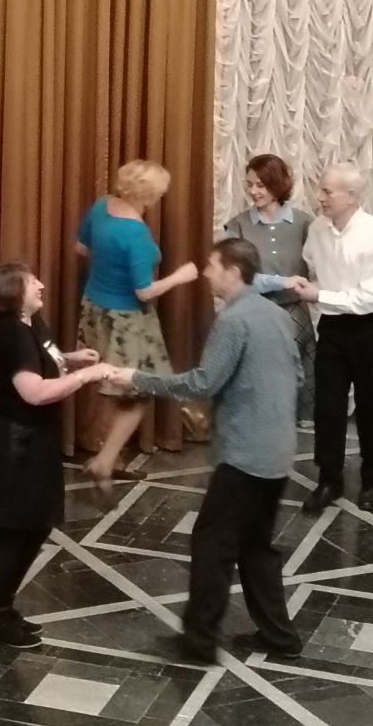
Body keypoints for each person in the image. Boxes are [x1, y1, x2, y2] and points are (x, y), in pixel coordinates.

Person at [111, 238, 302, 664]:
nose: (206, 273)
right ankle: (280, 638)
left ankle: (198, 643)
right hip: (278, 450)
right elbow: (297, 375)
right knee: (256, 545)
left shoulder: (233, 321)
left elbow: (202, 382)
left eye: (213, 266)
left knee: (212, 544)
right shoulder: (276, 315)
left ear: (233, 272)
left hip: (245, 456)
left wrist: (136, 378)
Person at [0, 261, 111, 649]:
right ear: (13, 292)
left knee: (36, 525)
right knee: (16, 529)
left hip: (32, 439)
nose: (41, 285)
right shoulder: (11, 333)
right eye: (31, 282)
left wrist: (71, 359)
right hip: (11, 443)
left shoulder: (31, 323)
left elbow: (43, 358)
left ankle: (4, 608)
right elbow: (35, 392)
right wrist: (87, 376)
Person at [75, 160, 198, 500]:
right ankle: (104, 461)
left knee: (108, 384)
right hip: (126, 320)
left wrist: (108, 268)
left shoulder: (101, 206)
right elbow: (144, 291)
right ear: (149, 195)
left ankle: (106, 451)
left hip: (95, 308)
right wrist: (179, 277)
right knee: (138, 392)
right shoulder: (136, 234)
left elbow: (81, 248)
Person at [290, 164, 373, 514]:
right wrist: (316, 289)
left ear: (351, 196)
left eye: (327, 191)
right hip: (333, 327)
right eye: (320, 190)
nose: (319, 197)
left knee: (370, 407)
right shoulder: (317, 230)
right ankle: (329, 479)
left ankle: (371, 481)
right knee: (327, 406)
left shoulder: (371, 233)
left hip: (369, 328)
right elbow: (313, 266)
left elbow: (369, 297)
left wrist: (320, 295)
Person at [224, 153, 315, 425]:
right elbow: (237, 277)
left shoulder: (305, 223)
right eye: (250, 184)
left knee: (303, 356)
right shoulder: (237, 225)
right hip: (254, 309)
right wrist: (281, 281)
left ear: (278, 184)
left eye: (261, 185)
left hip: (294, 310)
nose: (253, 191)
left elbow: (319, 268)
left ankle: (303, 415)